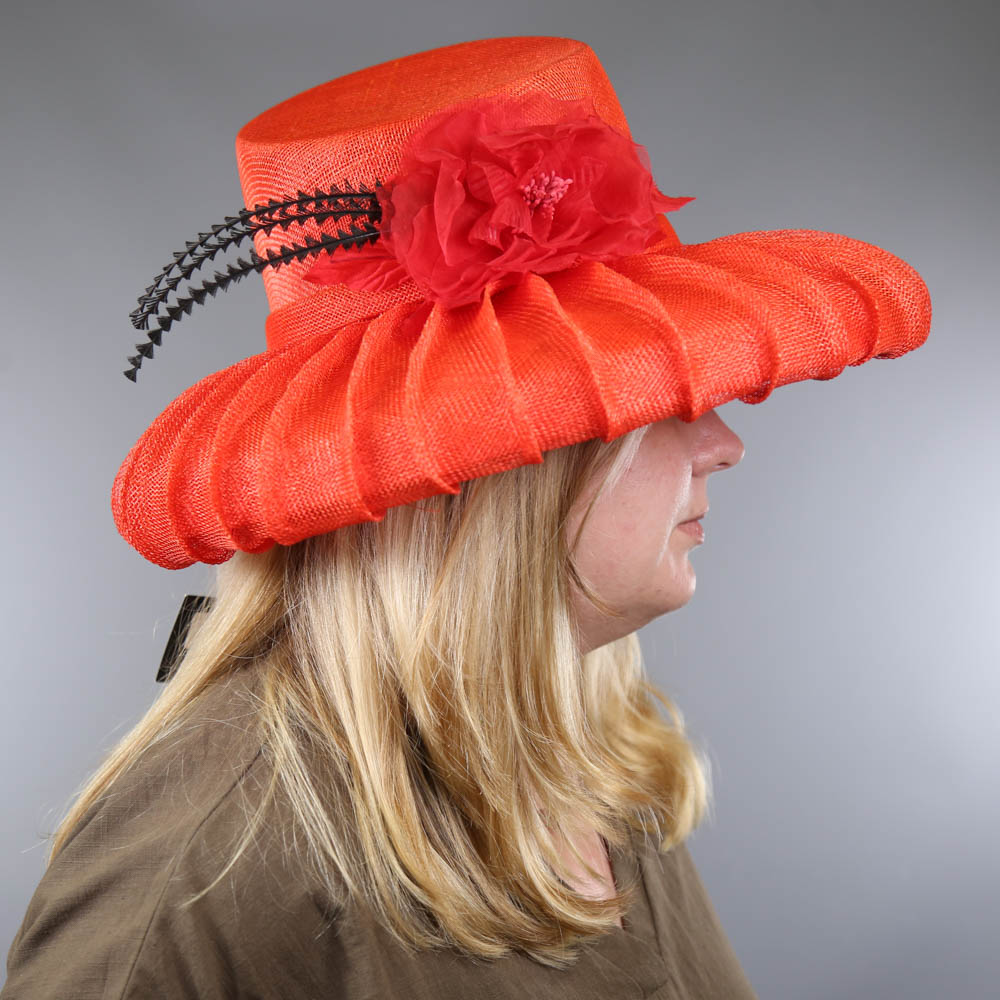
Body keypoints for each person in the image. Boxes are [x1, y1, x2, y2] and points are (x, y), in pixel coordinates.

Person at [1, 34, 930, 999]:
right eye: (662, 404)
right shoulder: (219, 846)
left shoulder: (596, 748)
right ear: (500, 470)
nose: (723, 444)